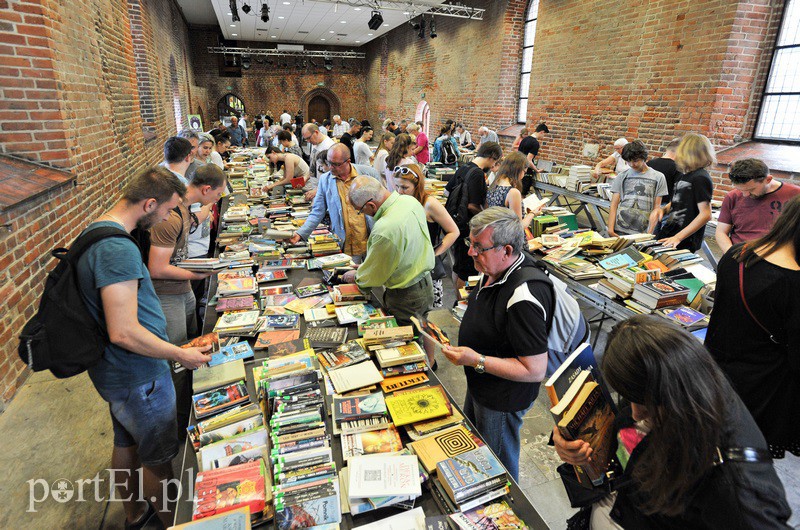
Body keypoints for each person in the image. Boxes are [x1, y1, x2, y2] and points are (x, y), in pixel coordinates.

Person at [555, 315, 791, 529]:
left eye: (644, 403)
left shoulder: (732, 482)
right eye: (631, 399)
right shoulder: (675, 382)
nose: (636, 414)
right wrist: (573, 444)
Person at [76, 166, 212, 528]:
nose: (168, 217)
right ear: (150, 203)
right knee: (159, 457)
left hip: (119, 372)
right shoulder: (116, 249)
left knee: (128, 443)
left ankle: (135, 513)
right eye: (167, 210)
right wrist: (180, 354)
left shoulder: (100, 231)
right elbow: (123, 331)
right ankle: (173, 521)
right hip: (138, 373)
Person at [440, 207, 551, 481]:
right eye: (470, 243)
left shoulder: (524, 294)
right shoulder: (496, 267)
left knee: (497, 464)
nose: (470, 253)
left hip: (502, 396)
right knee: (477, 445)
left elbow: (535, 370)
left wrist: (475, 359)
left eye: (479, 247)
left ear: (507, 250)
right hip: (483, 383)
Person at [706, 194, 800, 459]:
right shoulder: (792, 281)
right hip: (765, 386)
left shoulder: (739, 253)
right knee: (747, 455)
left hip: (718, 371)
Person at [148, 165, 227, 437]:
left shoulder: (182, 210)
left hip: (182, 289)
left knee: (194, 344)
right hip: (166, 294)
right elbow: (156, 268)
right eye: (216, 195)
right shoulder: (170, 217)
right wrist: (199, 272)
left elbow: (176, 257)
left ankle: (190, 409)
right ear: (206, 189)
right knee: (179, 358)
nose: (216, 201)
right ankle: (179, 424)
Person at [342, 177, 435, 328]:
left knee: (405, 342)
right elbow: (404, 251)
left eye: (360, 211)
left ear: (371, 205)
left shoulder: (385, 229)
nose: (362, 214)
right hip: (425, 284)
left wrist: (359, 276)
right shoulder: (409, 201)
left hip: (406, 295)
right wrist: (369, 267)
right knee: (424, 328)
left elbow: (374, 276)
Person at [288, 143, 380, 258]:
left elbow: (381, 206)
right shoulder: (325, 180)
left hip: (370, 240)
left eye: (336, 164)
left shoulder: (369, 174)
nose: (331, 167)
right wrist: (301, 233)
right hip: (345, 243)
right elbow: (317, 211)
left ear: (348, 161)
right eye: (329, 163)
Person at [394, 164, 460, 313]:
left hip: (427, 272)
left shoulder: (430, 204)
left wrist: (434, 254)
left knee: (429, 316)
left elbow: (453, 231)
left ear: (417, 186)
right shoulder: (400, 201)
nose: (399, 192)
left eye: (405, 188)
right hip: (406, 268)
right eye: (397, 187)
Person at [445, 141, 503, 289]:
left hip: (455, 223)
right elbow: (472, 205)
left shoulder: (464, 167)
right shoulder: (477, 173)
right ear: (492, 156)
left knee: (458, 266)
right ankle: (460, 303)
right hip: (467, 227)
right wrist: (489, 218)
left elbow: (447, 190)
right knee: (466, 270)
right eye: (495, 161)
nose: (493, 165)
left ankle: (457, 300)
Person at [715, 158, 800, 253]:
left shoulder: (796, 195)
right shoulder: (732, 196)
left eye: (751, 189)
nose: (745, 195)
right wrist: (730, 254)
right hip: (741, 253)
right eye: (740, 190)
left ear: (768, 179)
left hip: (779, 255)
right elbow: (721, 232)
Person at [653, 133, 715, 251]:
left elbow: (706, 214)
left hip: (683, 240)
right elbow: (679, 199)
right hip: (670, 232)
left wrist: (678, 237)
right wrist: (663, 210)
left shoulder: (700, 178)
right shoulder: (686, 175)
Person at [607, 140, 667, 236]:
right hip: (620, 229)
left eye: (635, 160)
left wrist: (650, 232)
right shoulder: (622, 176)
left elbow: (656, 208)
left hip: (643, 231)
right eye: (628, 161)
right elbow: (614, 204)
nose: (632, 164)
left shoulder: (659, 177)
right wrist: (610, 229)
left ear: (644, 157)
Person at [487, 151, 539, 227]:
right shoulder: (512, 192)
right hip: (508, 236)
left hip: (495, 232)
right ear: (519, 170)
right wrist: (532, 213)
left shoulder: (494, 184)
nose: (523, 175)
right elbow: (518, 226)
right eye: (524, 172)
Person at [646, 137, 682, 205]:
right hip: (664, 207)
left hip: (647, 203)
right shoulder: (678, 168)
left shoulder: (649, 163)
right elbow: (678, 194)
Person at [301, 123, 335, 192]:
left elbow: (332, 175)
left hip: (324, 189)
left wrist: (317, 190)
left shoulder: (329, 146)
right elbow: (313, 166)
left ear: (316, 132)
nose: (308, 141)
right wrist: (305, 178)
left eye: (309, 138)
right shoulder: (315, 143)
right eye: (306, 139)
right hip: (316, 187)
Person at [518, 122, 549, 195]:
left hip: (517, 169)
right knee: (522, 195)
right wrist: (536, 170)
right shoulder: (535, 143)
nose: (543, 136)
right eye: (544, 134)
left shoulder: (525, 139)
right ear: (541, 132)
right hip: (525, 172)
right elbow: (528, 160)